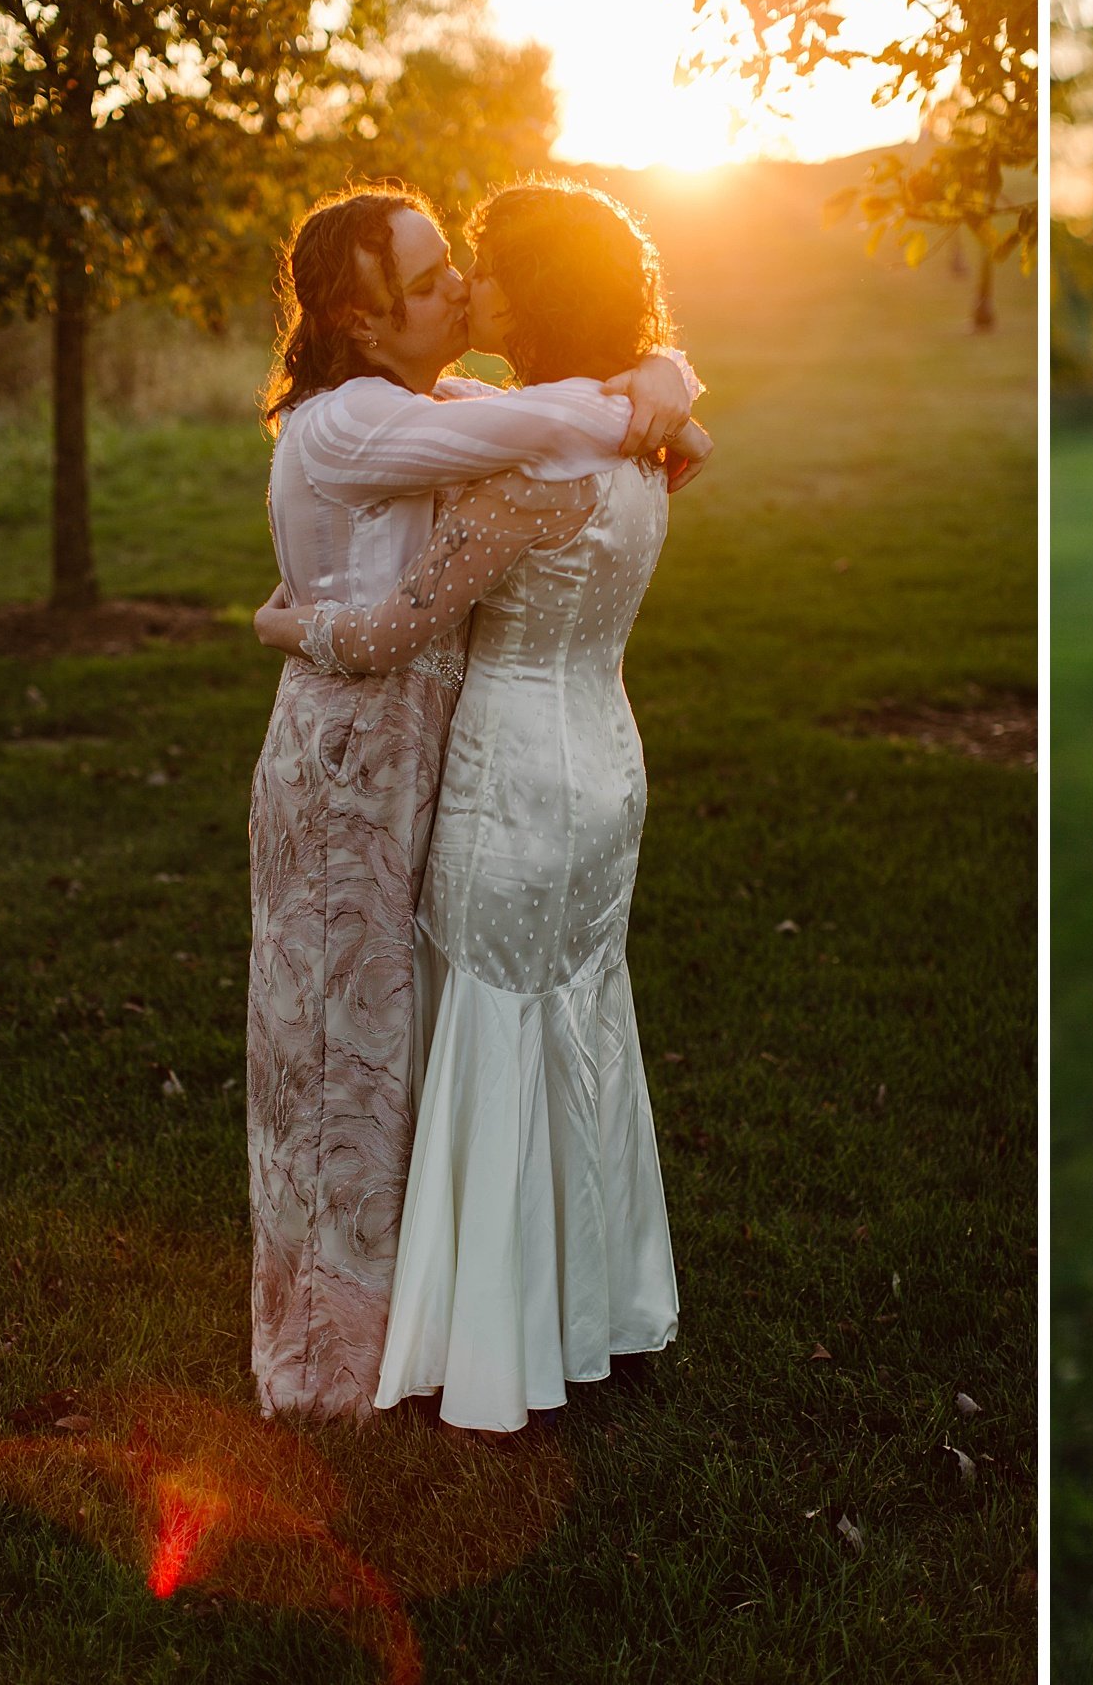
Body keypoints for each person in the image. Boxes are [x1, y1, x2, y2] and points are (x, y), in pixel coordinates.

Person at [248, 185, 701, 1422]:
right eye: (444, 270)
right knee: (544, 1023)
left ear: (536, 297)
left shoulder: (534, 460)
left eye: (484, 269)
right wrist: (657, 373)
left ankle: (491, 1336)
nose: (467, 290)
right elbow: (598, 426)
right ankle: (552, 1303)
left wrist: (286, 626)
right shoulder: (601, 448)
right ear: (361, 310)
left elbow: (401, 620)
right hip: (592, 751)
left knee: (493, 1030)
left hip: (508, 762)